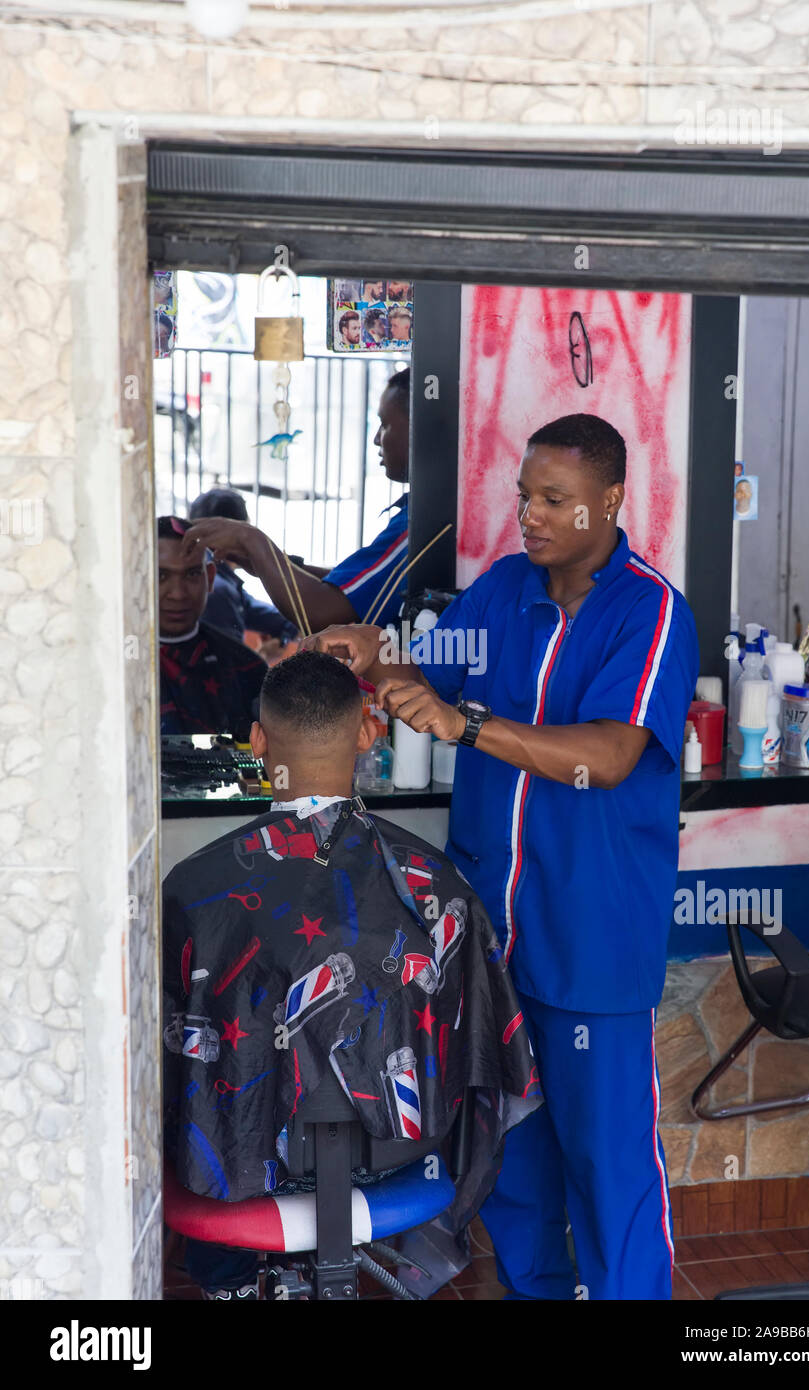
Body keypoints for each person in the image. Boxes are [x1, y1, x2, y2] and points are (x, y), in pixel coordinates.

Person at [303, 413, 700, 1301]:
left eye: (556, 500)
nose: (532, 515)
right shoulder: (502, 592)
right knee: (512, 1158)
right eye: (526, 497)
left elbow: (608, 755)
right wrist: (373, 657)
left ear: (610, 502)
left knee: (608, 1168)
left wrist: (471, 725)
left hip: (590, 935)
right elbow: (428, 674)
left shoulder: (650, 611)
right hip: (491, 935)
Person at [163, 651, 541, 1299]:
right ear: (369, 733)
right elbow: (490, 1060)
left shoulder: (193, 889)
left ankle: (228, 1284)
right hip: (398, 1156)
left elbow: (168, 1072)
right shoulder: (438, 882)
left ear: (257, 742)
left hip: (242, 1163)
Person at [180, 369, 412, 632]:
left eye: (386, 424)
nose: (376, 438)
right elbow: (352, 587)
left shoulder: (416, 527)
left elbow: (324, 613)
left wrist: (254, 541)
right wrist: (271, 562)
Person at [158, 515, 267, 739]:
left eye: (192, 574)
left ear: (209, 576)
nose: (178, 594)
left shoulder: (246, 668)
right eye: (161, 575)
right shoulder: (111, 664)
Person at [188, 487, 299, 654]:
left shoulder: (225, 582)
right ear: (236, 533)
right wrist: (261, 658)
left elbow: (278, 619)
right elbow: (226, 670)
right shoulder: (217, 588)